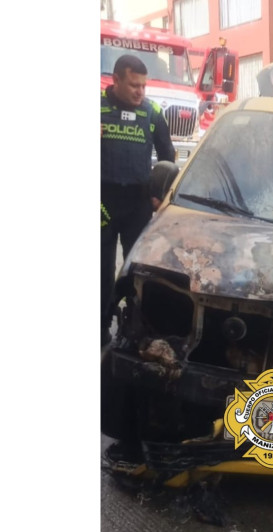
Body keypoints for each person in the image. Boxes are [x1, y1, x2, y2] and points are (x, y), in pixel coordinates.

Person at [101, 54, 176, 346]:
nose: (140, 92)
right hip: (102, 203)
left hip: (139, 205)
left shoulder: (152, 112)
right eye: (134, 85)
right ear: (116, 80)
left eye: (143, 86)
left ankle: (136, 328)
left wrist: (160, 193)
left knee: (139, 272)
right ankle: (100, 329)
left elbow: (168, 157)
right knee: (101, 272)